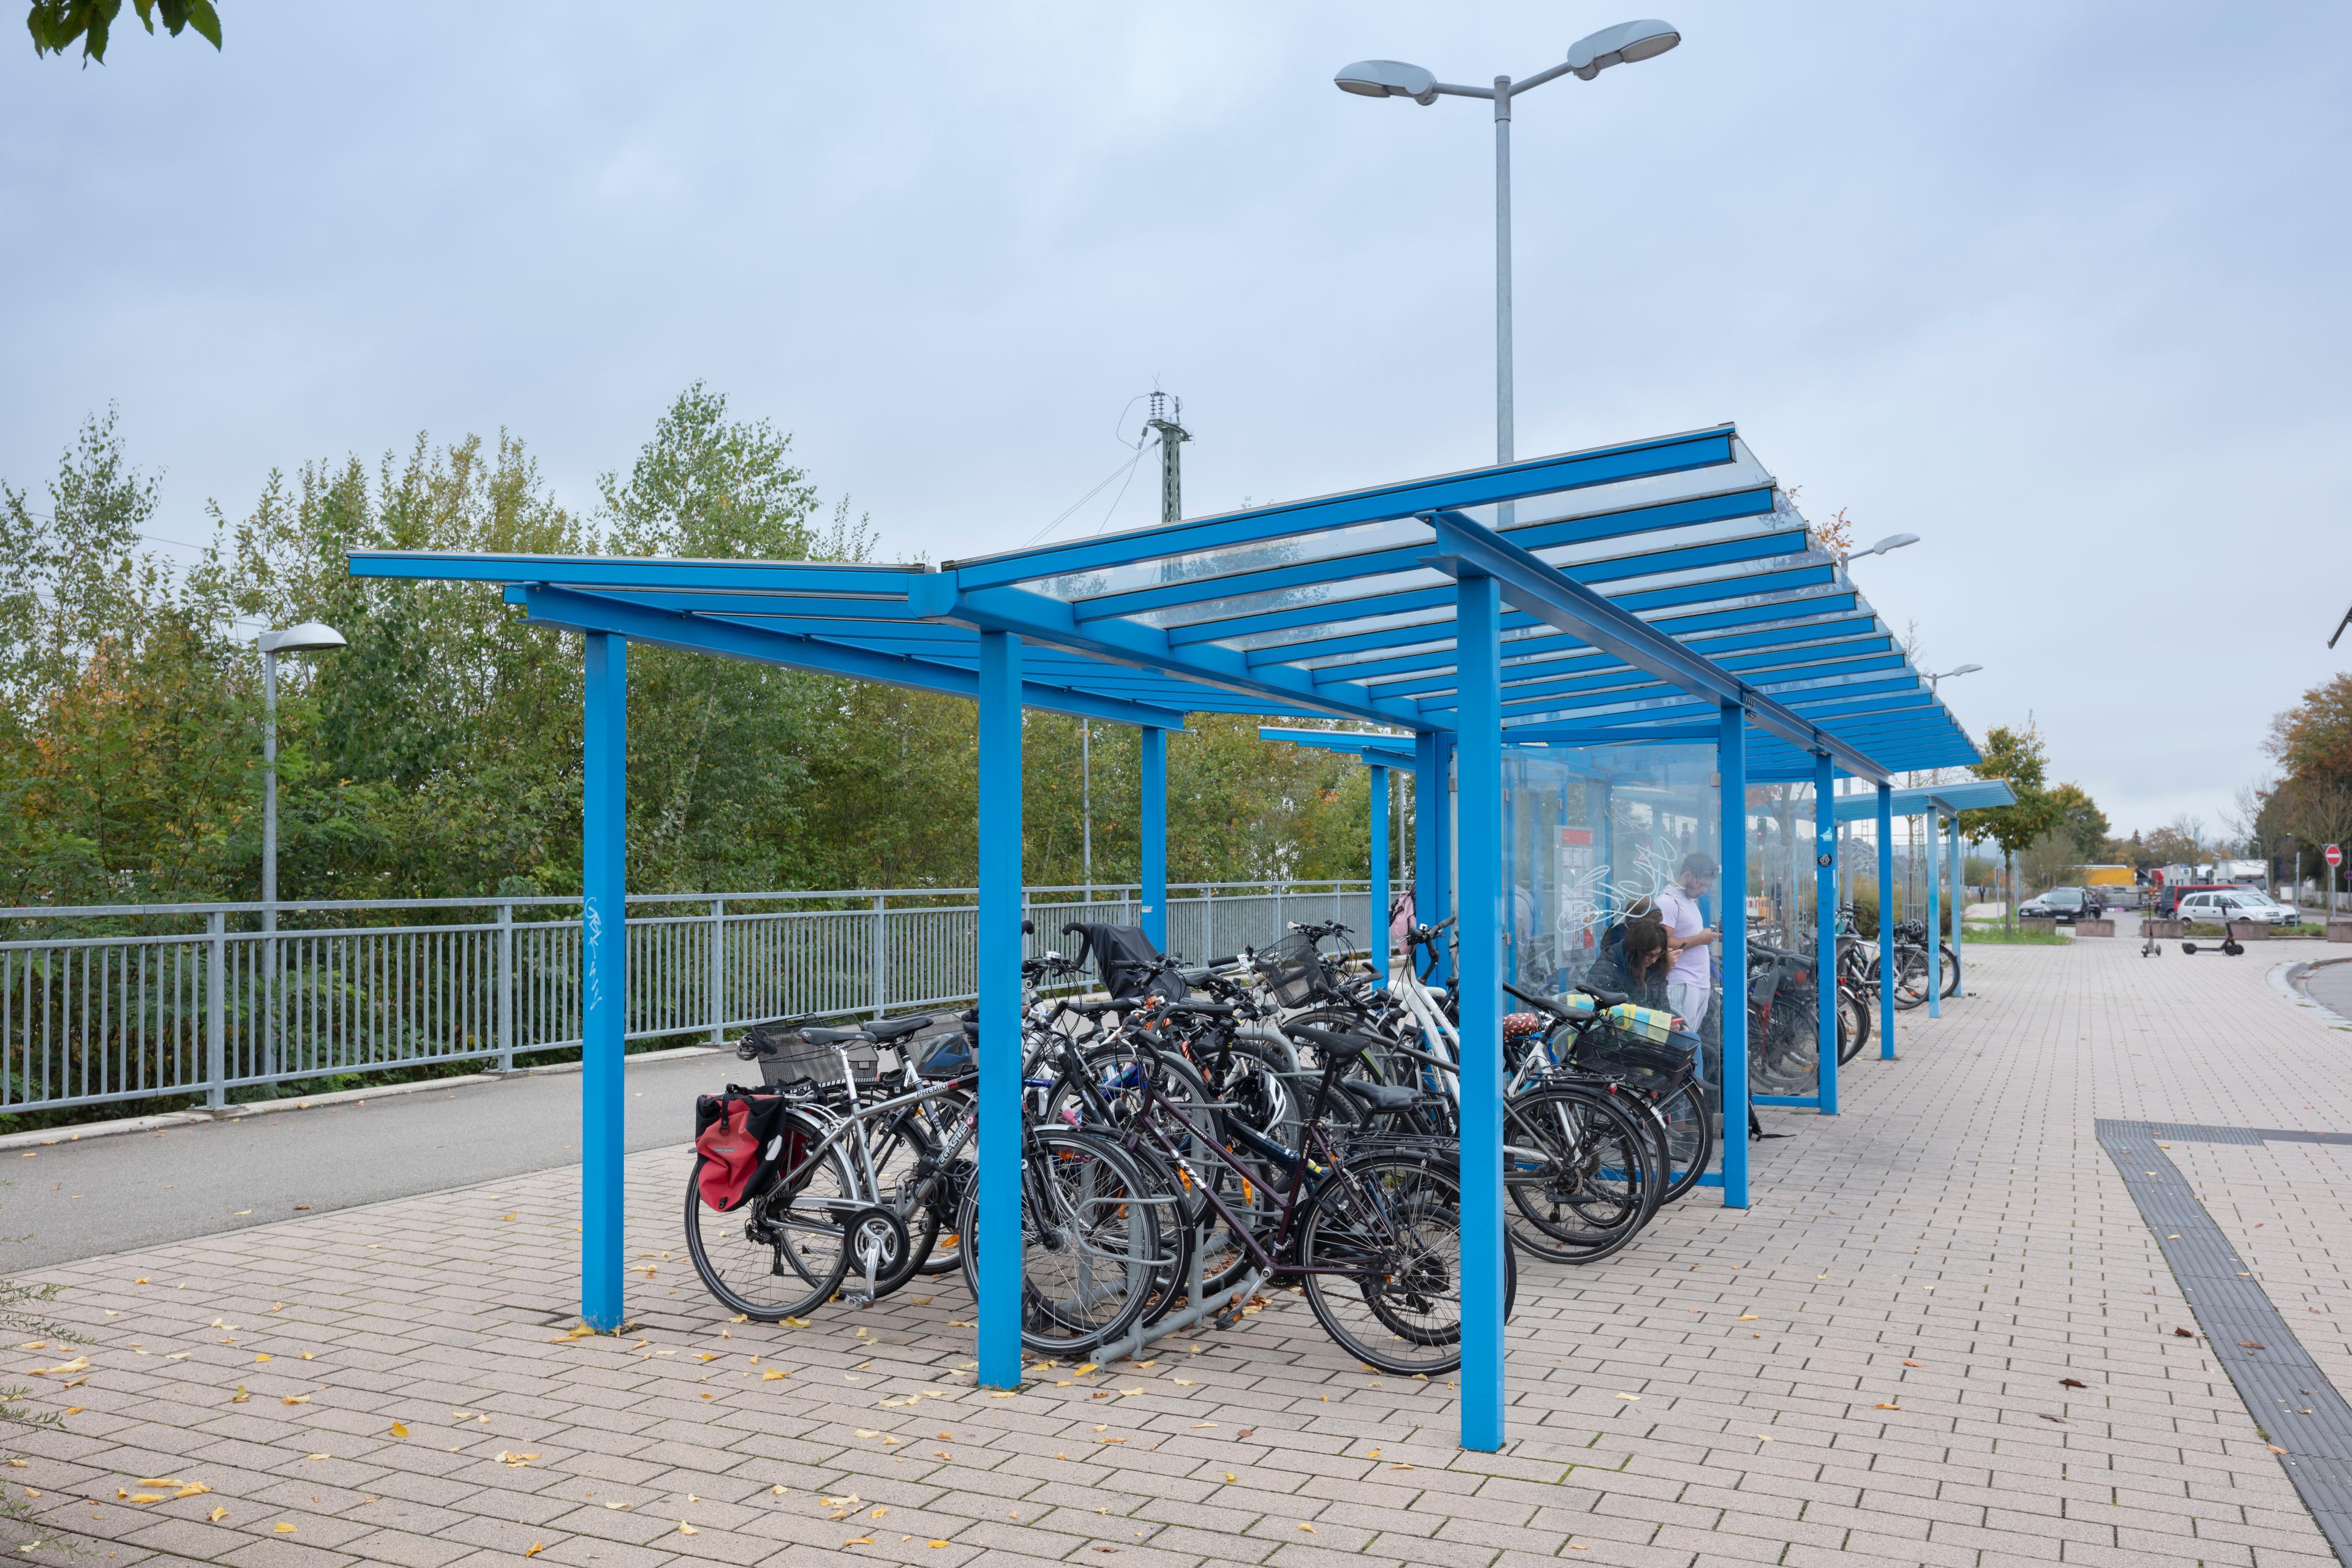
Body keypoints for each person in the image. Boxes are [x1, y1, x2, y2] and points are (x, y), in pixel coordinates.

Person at [1656, 852, 1721, 1033]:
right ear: (1688, 876)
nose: (1704, 890)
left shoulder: (1687, 900)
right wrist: (1700, 939)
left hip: (1696, 983)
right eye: (1702, 884)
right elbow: (1661, 943)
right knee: (1678, 1042)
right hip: (1681, 983)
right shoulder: (1668, 901)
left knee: (1687, 1043)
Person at [1580, 913, 1670, 1009]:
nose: (1654, 960)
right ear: (1636, 950)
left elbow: (1663, 1006)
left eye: (1658, 955)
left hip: (1645, 1023)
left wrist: (1670, 1022)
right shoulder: (1609, 966)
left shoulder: (1656, 967)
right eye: (1650, 955)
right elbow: (1596, 1004)